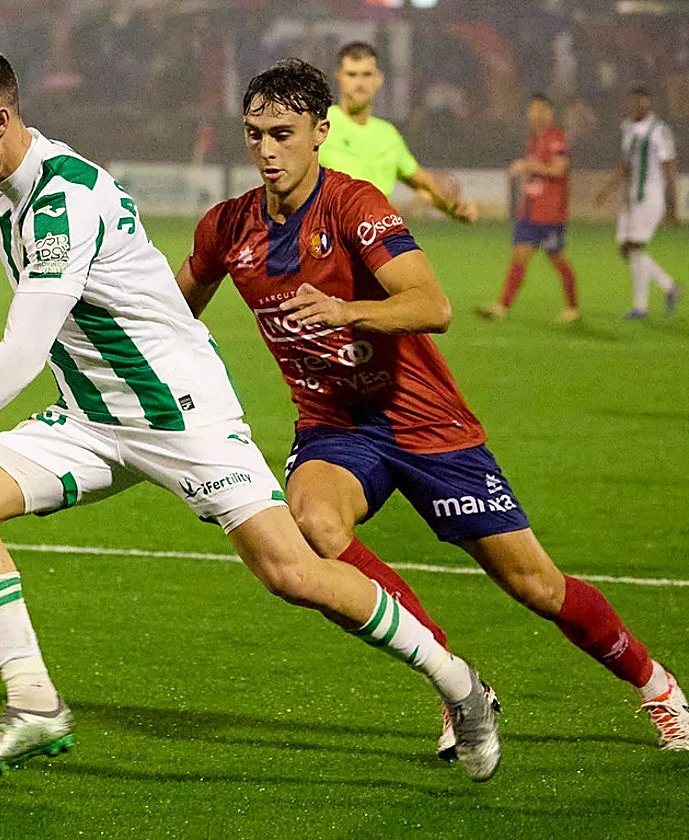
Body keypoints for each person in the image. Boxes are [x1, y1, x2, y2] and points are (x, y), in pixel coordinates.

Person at [0, 43, 502, 781]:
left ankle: (459, 684)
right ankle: (34, 705)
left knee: (293, 572)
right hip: (92, 418)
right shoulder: (15, 184)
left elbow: (23, 349)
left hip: (181, 414)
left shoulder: (63, 202)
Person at [174, 59, 689, 759]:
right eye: (254, 134)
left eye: (283, 134)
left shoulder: (352, 205)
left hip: (425, 423)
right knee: (315, 524)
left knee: (535, 585)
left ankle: (656, 685)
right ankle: (456, 683)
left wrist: (347, 311)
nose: (266, 150)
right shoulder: (228, 226)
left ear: (320, 132)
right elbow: (167, 313)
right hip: (336, 428)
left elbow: (432, 305)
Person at [319, 41, 478, 223]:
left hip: (376, 234)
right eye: (352, 75)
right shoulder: (320, 124)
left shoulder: (387, 134)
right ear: (338, 76)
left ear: (378, 79)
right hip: (328, 233)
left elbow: (422, 184)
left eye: (366, 74)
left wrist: (454, 208)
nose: (359, 83)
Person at [477, 94, 580, 323]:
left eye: (540, 110)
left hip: (550, 213)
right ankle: (502, 306)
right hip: (531, 211)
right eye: (532, 110)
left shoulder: (556, 138)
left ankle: (573, 307)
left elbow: (558, 170)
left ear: (549, 113)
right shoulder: (533, 138)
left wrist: (527, 166)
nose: (535, 114)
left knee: (557, 258)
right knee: (518, 257)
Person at [594, 87, 682, 320]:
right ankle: (669, 288)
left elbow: (669, 168)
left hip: (651, 197)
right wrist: (607, 189)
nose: (635, 106)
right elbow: (626, 165)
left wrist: (672, 205)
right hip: (631, 198)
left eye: (640, 103)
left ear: (648, 104)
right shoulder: (628, 128)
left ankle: (641, 307)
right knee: (627, 249)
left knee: (635, 247)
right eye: (632, 102)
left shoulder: (659, 130)